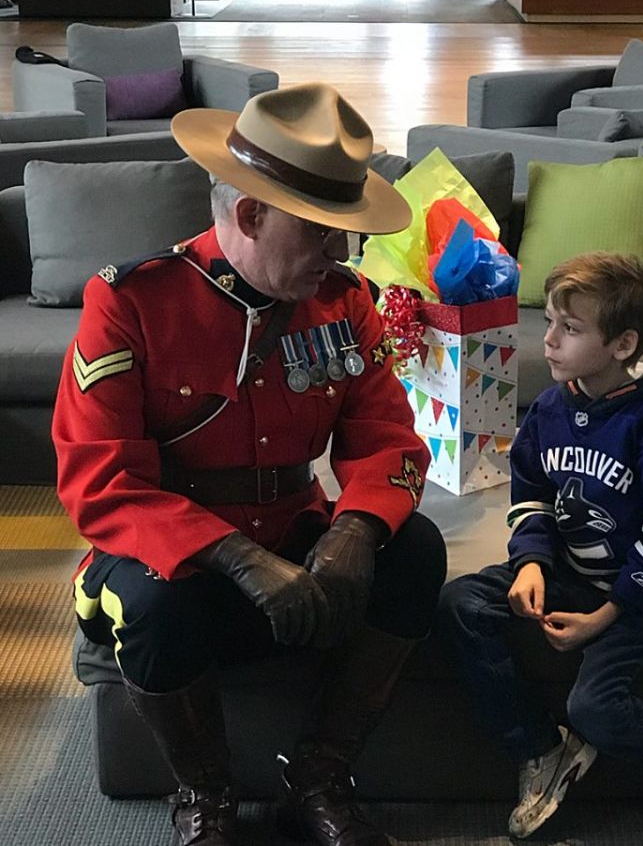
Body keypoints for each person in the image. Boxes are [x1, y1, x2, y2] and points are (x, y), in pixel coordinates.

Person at [53, 83, 447, 846]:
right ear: (249, 214)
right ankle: (207, 799)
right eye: (323, 231)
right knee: (151, 600)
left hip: (297, 556)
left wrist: (355, 531)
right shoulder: (131, 301)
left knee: (416, 548)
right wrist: (237, 558)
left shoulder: (345, 301)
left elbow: (388, 440)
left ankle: (319, 779)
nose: (343, 252)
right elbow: (100, 480)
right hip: (178, 570)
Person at [437, 252, 643, 839]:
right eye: (550, 323)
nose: (548, 340)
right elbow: (531, 491)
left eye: (570, 330)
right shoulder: (553, 406)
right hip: (567, 573)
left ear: (623, 344)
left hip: (637, 602)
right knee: (459, 603)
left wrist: (605, 617)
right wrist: (529, 563)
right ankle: (543, 749)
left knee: (595, 710)